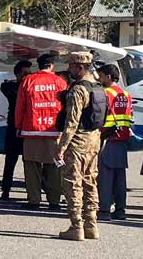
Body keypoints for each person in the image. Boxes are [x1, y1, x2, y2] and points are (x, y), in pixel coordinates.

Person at [55, 52, 107, 241]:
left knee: (72, 182)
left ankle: (76, 226)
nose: (69, 69)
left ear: (80, 67)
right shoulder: (99, 87)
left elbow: (71, 122)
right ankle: (91, 224)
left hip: (77, 141)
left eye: (71, 66)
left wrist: (61, 147)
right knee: (90, 181)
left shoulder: (78, 90)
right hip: (94, 139)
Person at [16, 54, 67, 210]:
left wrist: (18, 126)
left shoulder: (28, 81)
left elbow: (20, 106)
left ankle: (34, 200)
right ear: (51, 66)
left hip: (32, 130)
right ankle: (54, 200)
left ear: (39, 66)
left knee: (32, 167)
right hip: (54, 131)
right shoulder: (60, 82)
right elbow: (66, 106)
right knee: (55, 166)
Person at [96, 64, 132, 221]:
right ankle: (120, 209)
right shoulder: (125, 94)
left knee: (105, 177)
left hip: (108, 138)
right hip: (122, 138)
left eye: (101, 76)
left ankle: (104, 210)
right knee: (119, 178)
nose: (99, 79)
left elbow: (99, 116)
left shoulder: (105, 94)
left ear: (108, 77)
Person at [0, 60, 33, 200]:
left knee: (30, 163)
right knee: (10, 162)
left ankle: (32, 193)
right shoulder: (11, 87)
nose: (28, 76)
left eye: (29, 73)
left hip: (28, 129)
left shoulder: (31, 87)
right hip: (13, 128)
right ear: (18, 74)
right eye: (25, 73)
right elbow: (5, 88)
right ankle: (5, 191)